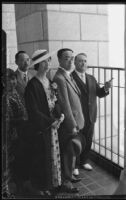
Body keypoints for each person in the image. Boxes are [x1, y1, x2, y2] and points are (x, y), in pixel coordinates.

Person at [24, 49, 64, 196]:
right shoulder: (32, 85)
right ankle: (39, 186)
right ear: (40, 64)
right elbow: (33, 111)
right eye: (47, 60)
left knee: (51, 156)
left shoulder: (50, 82)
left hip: (53, 126)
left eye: (49, 60)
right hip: (41, 128)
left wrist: (60, 116)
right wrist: (50, 122)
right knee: (41, 157)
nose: (49, 63)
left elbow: (56, 102)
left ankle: (49, 184)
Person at [72, 53, 112, 175]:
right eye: (80, 61)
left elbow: (99, 93)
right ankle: (74, 165)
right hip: (77, 116)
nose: (83, 63)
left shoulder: (91, 78)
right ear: (75, 63)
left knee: (88, 139)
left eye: (85, 61)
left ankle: (84, 161)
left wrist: (105, 88)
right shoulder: (70, 78)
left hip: (90, 116)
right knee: (76, 140)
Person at [52, 48, 86, 193]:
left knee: (71, 151)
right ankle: (66, 182)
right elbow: (65, 104)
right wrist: (72, 125)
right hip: (69, 123)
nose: (71, 61)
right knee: (67, 152)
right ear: (59, 60)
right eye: (67, 58)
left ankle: (70, 175)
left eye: (72, 58)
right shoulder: (59, 78)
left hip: (76, 120)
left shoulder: (67, 75)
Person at [3, 68, 28, 197]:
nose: (12, 82)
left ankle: (19, 184)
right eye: (9, 79)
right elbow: (7, 120)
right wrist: (22, 119)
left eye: (13, 79)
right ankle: (15, 187)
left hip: (20, 132)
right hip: (11, 135)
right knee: (13, 161)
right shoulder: (5, 97)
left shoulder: (15, 92)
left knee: (19, 159)